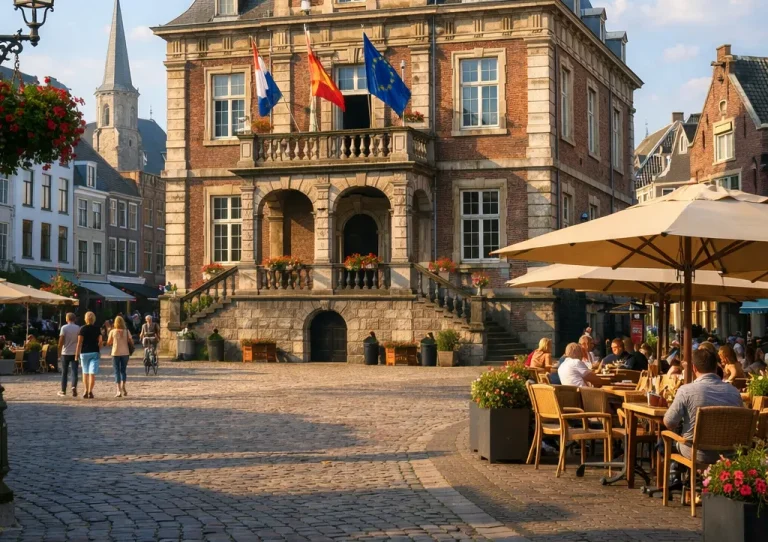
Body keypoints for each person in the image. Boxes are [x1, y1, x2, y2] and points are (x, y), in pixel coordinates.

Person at [663, 348, 743, 463]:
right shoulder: (734, 392)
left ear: (694, 368)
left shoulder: (686, 390)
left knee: (663, 442)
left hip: (698, 453)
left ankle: (674, 475)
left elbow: (669, 422)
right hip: (728, 454)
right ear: (716, 367)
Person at [76, 312, 102, 399]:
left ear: (85, 318)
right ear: (94, 319)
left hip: (84, 353)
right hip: (94, 352)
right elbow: (100, 341)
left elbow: (79, 343)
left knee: (85, 373)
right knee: (92, 373)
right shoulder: (97, 329)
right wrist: (99, 348)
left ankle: (85, 390)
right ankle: (90, 391)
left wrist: (76, 355)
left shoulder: (82, 329)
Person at [108, 316, 133, 398]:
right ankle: (123, 386)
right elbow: (131, 341)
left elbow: (109, 342)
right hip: (125, 353)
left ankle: (118, 390)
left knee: (116, 371)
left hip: (115, 353)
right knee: (123, 370)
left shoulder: (112, 331)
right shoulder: (126, 331)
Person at [57, 313, 80, 397]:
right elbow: (79, 340)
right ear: (75, 319)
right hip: (74, 352)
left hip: (65, 352)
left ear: (67, 319)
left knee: (64, 372)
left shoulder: (64, 328)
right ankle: (73, 386)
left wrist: (59, 351)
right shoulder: (78, 328)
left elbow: (61, 340)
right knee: (74, 371)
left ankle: (63, 390)